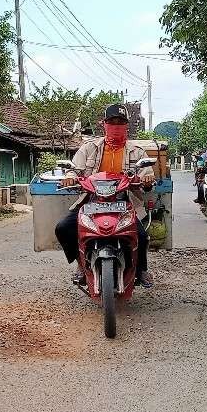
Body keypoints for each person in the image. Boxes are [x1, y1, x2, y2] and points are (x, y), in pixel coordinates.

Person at [54, 104, 156, 288]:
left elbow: (146, 172)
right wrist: (70, 178)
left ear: (127, 126)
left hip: (124, 199)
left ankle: (141, 269)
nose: (116, 126)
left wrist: (147, 178)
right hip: (92, 199)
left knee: (141, 235)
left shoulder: (137, 151)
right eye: (112, 122)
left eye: (121, 122)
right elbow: (74, 169)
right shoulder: (89, 148)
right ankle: (80, 265)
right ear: (104, 124)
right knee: (64, 228)